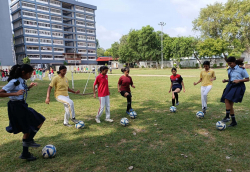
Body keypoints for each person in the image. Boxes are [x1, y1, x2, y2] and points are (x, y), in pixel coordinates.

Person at [0, 64, 45, 161]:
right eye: (30, 73)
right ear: (23, 73)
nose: (31, 75)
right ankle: (28, 144)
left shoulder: (21, 80)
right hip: (16, 107)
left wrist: (29, 87)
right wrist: (15, 94)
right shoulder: (14, 81)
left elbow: (21, 90)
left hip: (21, 105)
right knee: (34, 124)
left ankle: (26, 152)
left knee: (34, 124)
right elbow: (1, 93)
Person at [221, 57, 249, 127]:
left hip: (238, 86)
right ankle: (233, 121)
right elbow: (232, 79)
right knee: (230, 104)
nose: (229, 65)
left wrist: (239, 80)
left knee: (227, 99)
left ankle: (227, 117)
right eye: (228, 64)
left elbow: (247, 79)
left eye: (230, 63)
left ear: (234, 62)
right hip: (230, 85)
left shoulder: (241, 69)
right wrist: (226, 80)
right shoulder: (229, 69)